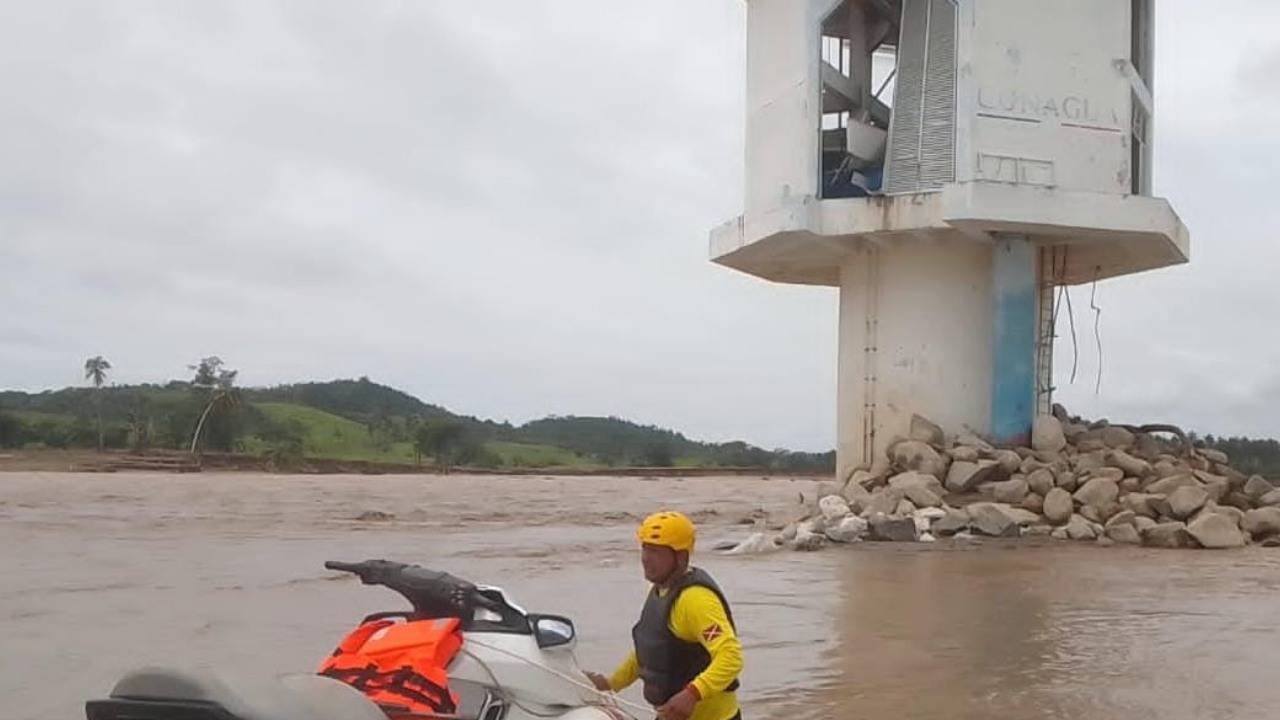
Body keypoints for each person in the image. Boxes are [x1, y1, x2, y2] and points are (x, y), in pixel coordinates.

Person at [586, 511, 744, 720]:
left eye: (656, 552)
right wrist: (611, 683)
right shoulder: (661, 589)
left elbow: (731, 657)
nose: (646, 559)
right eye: (644, 549)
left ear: (680, 557)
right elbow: (650, 649)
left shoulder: (696, 600)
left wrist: (692, 694)